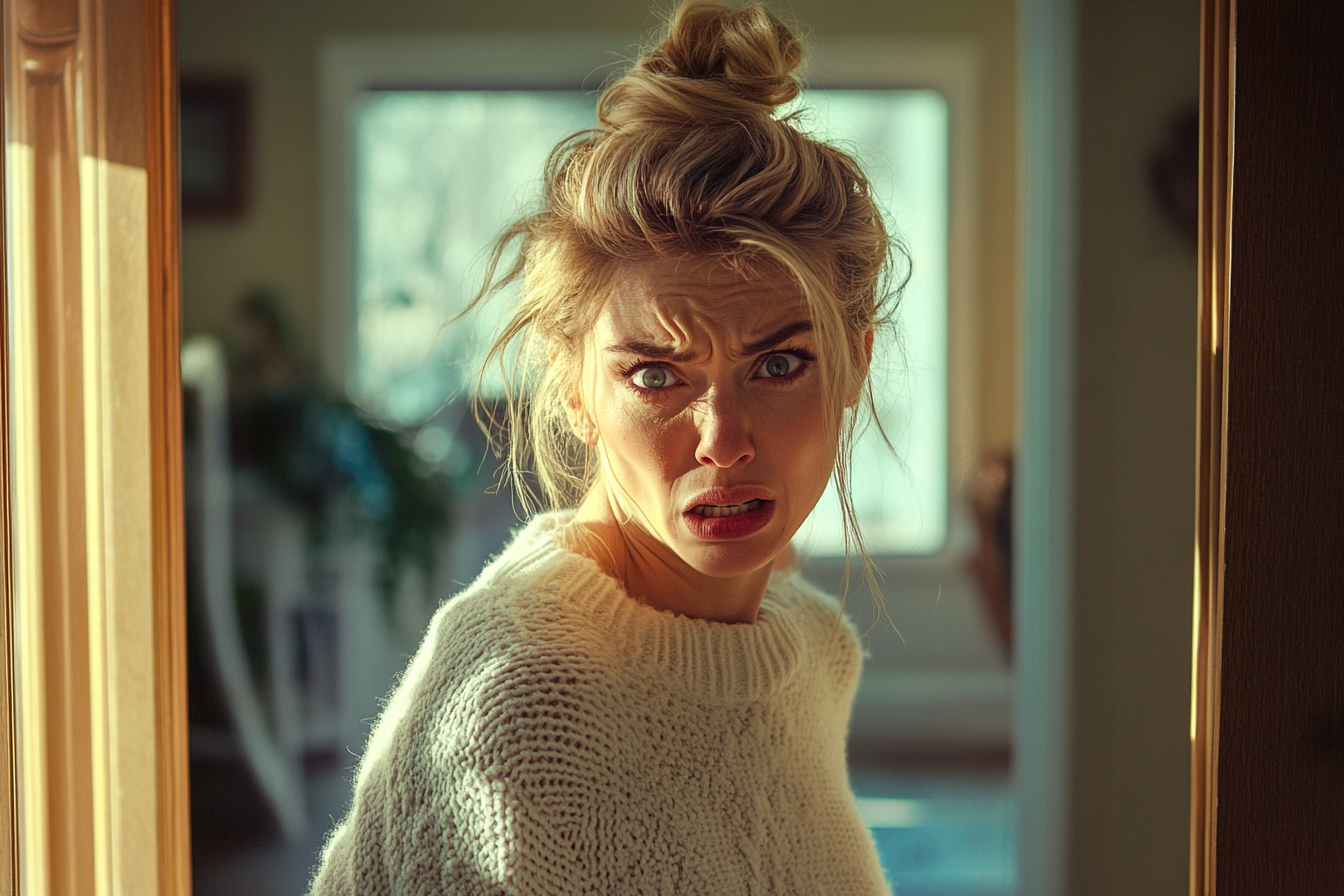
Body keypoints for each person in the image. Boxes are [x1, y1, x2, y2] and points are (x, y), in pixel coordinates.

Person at [308, 2, 904, 892]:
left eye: (779, 363)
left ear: (853, 362)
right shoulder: (517, 713)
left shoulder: (815, 652)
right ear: (571, 383)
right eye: (657, 376)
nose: (724, 441)